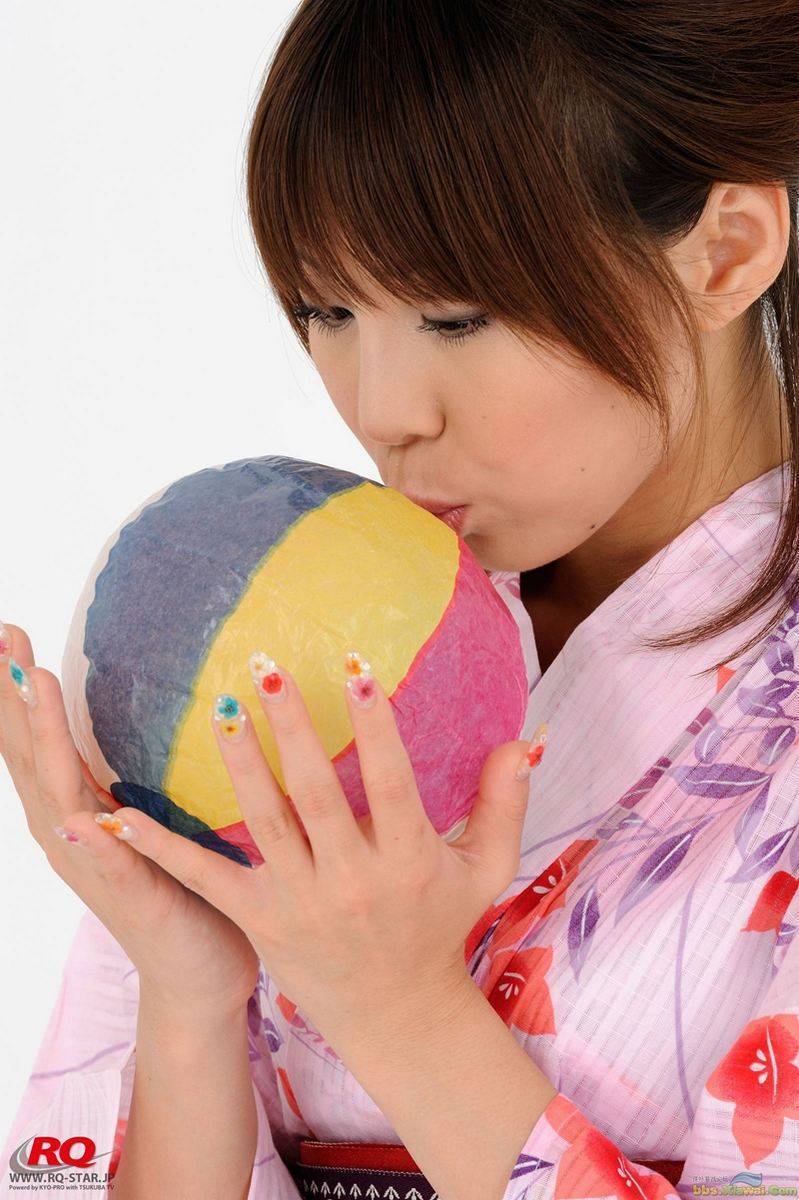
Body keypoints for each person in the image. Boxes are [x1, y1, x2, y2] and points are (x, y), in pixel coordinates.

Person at [3, 1, 799, 1197]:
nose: (383, 410)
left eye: (456, 316)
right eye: (326, 311)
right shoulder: (313, 640)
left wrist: (393, 1008)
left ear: (723, 253)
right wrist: (187, 991)